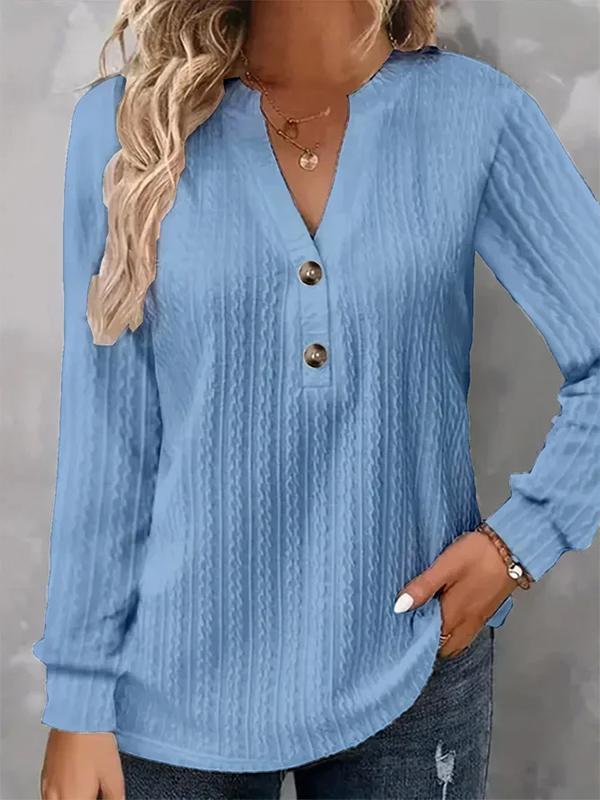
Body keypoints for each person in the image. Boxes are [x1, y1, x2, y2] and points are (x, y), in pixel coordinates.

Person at [33, 0, 600, 798]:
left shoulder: (474, 114)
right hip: (166, 695)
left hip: (414, 671)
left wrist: (522, 542)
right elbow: (107, 439)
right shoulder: (128, 127)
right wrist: (80, 695)